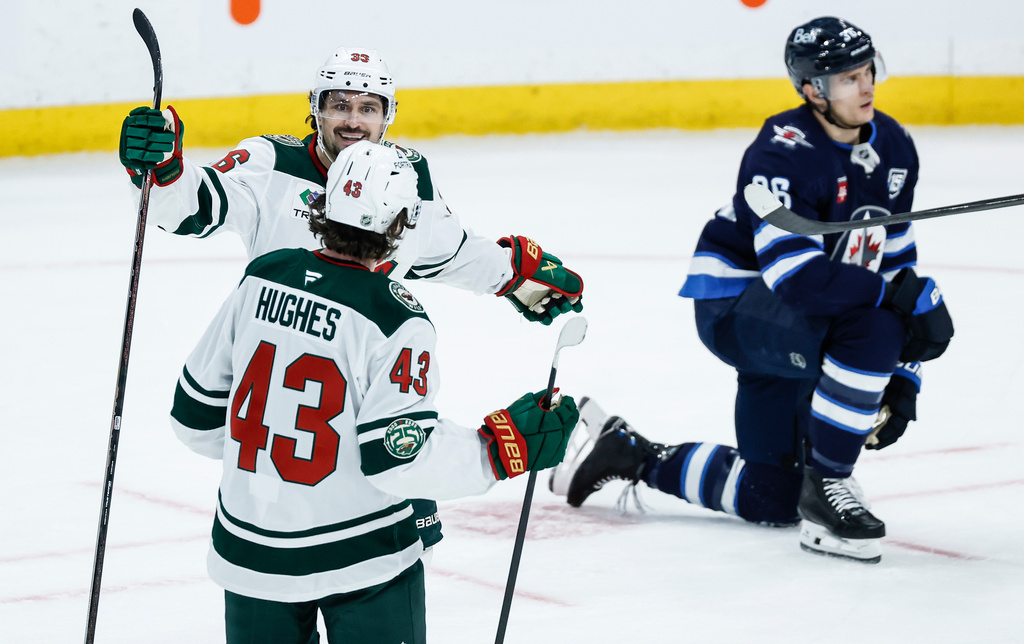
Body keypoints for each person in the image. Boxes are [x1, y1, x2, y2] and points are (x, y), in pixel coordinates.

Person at [118, 46, 584, 550]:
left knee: (400, 558)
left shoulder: (405, 178)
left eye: (368, 108)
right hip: (286, 425)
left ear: (388, 116)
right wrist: (164, 171)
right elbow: (194, 206)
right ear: (315, 108)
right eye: (340, 105)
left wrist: (514, 276)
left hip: (376, 408)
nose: (353, 121)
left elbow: (444, 247)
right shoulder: (270, 164)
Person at [549, 17, 953, 564]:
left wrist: (904, 375)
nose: (866, 88)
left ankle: (631, 453)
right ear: (812, 89)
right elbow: (798, 277)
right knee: (877, 322)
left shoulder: (896, 147)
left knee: (773, 497)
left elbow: (894, 262)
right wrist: (896, 308)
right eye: (847, 78)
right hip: (738, 306)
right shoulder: (781, 152)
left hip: (803, 316)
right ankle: (831, 483)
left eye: (867, 72)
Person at [170, 140, 579, 644]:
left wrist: (277, 476)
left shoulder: (263, 274)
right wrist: (496, 449)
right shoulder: (395, 318)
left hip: (248, 553)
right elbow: (397, 459)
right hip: (363, 557)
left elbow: (195, 419)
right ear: (402, 224)